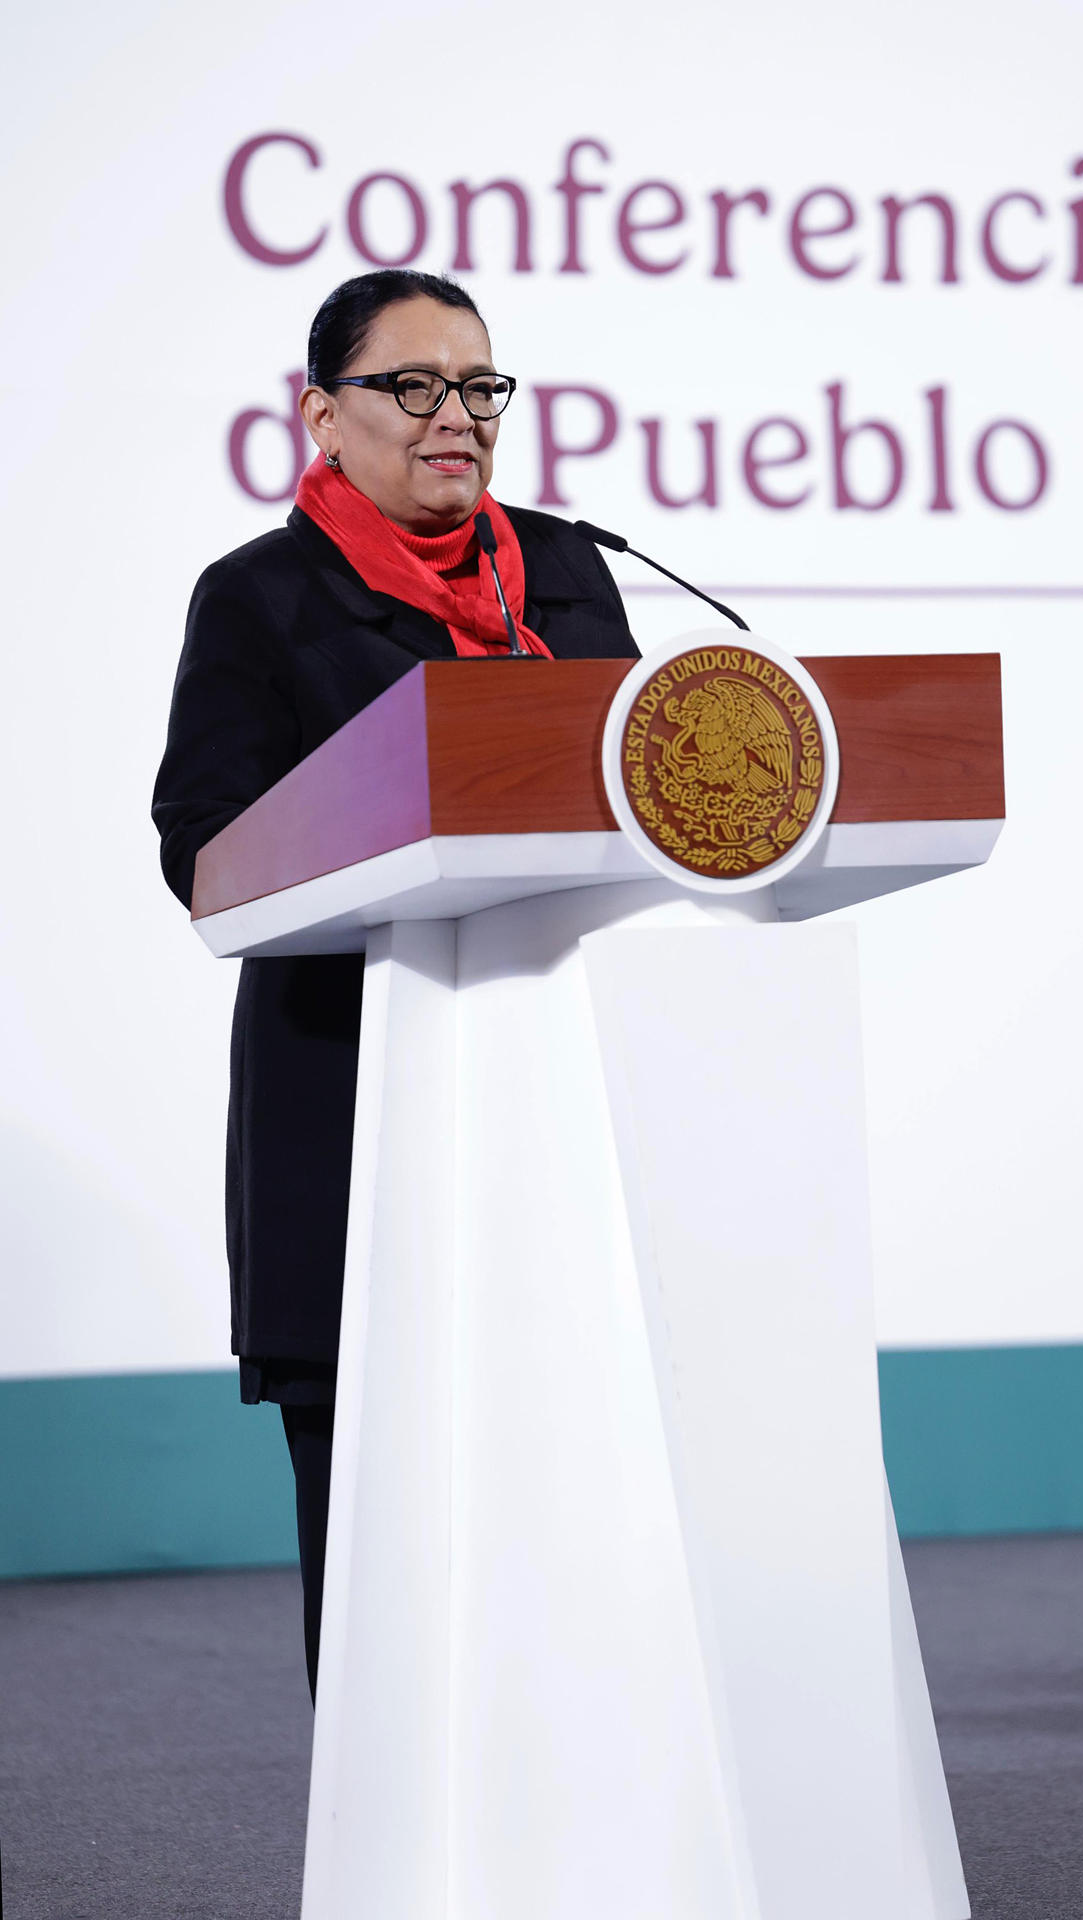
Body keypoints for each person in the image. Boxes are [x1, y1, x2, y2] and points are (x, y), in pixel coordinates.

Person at [153, 270, 639, 1698]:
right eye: (414, 386)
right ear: (322, 411)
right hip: (354, 1096)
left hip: (556, 1082)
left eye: (479, 387)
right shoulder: (260, 598)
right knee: (376, 1507)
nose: (458, 416)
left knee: (579, 1475)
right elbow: (206, 843)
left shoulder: (563, 568)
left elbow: (635, 793)